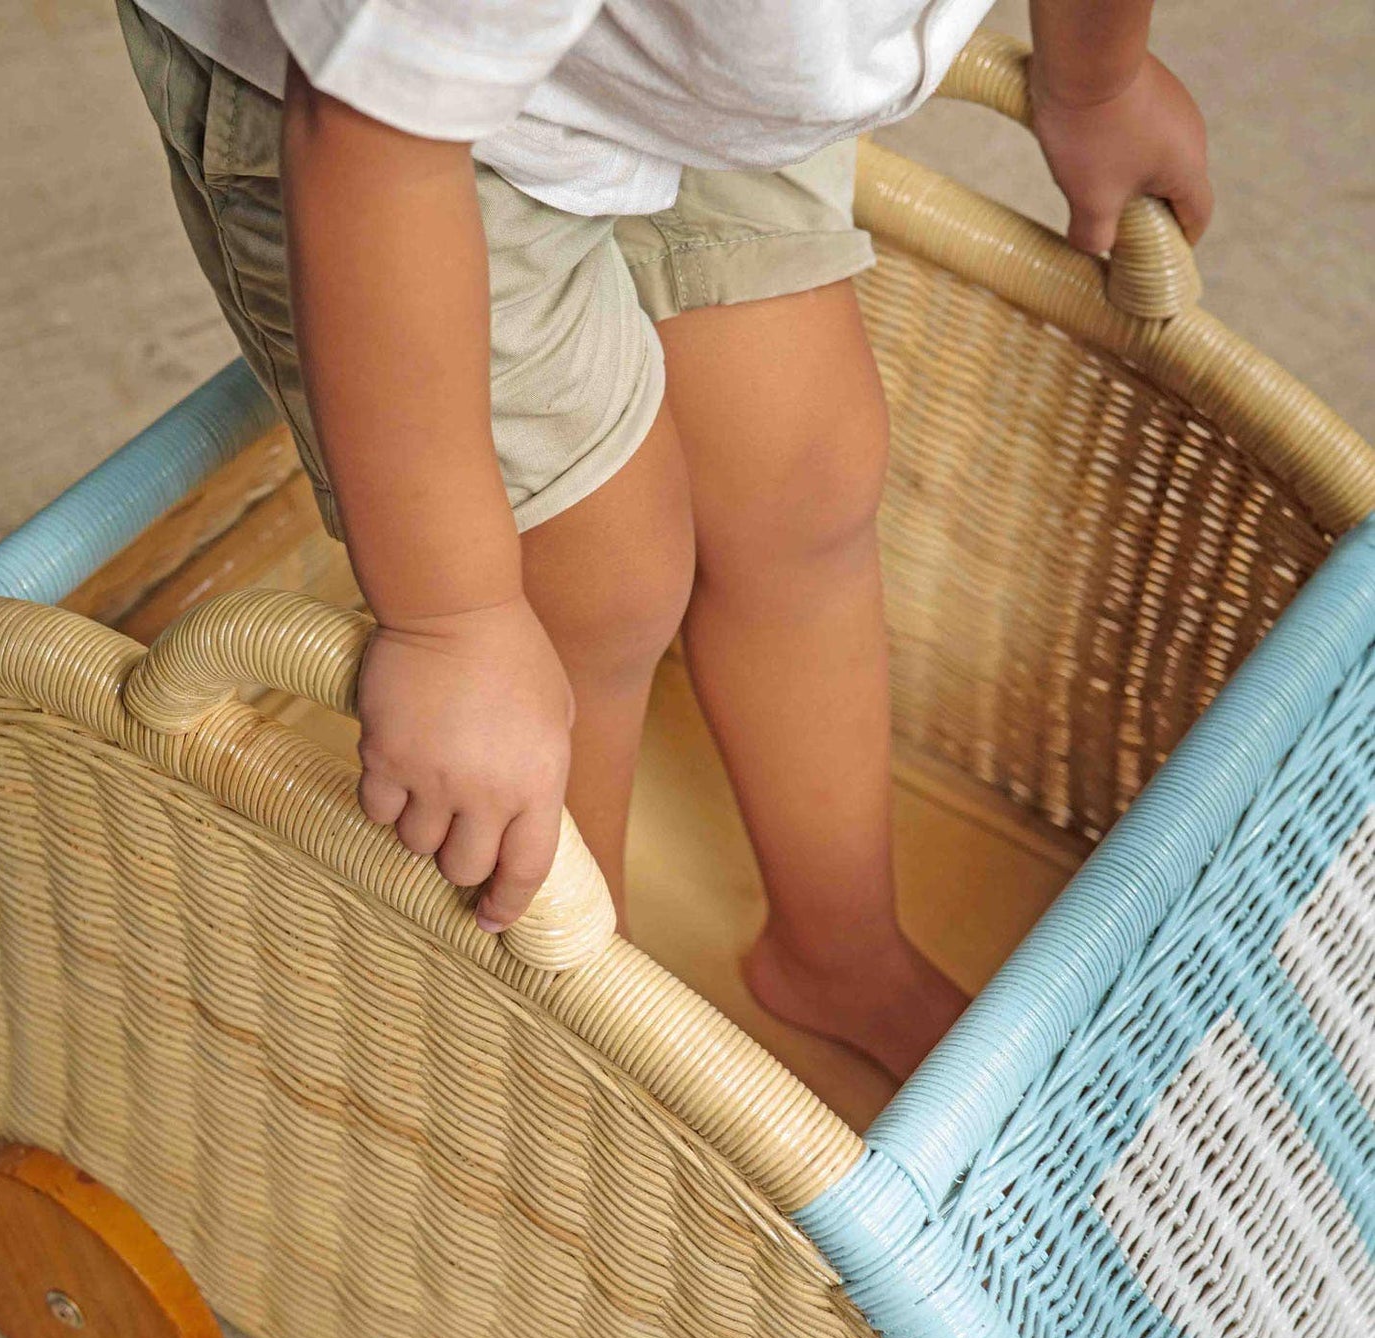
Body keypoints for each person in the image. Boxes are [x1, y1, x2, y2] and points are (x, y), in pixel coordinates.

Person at [115, 0, 1212, 1080]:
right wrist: (454, 621)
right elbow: (370, 140)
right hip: (387, 122)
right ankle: (562, 1039)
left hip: (684, 68)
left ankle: (838, 949)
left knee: (804, 475)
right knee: (584, 584)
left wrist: (1095, 79)